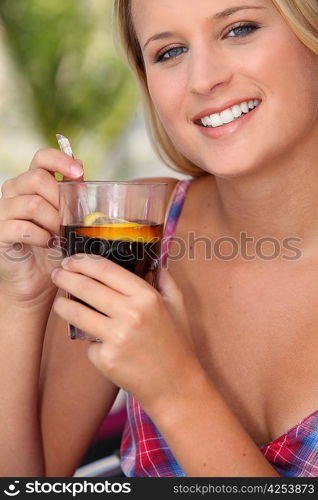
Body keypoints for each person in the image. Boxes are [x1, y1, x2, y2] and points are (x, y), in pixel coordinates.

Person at [0, 0, 318, 478]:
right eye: (169, 52)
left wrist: (175, 389)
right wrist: (20, 298)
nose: (202, 80)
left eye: (239, 29)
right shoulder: (138, 229)